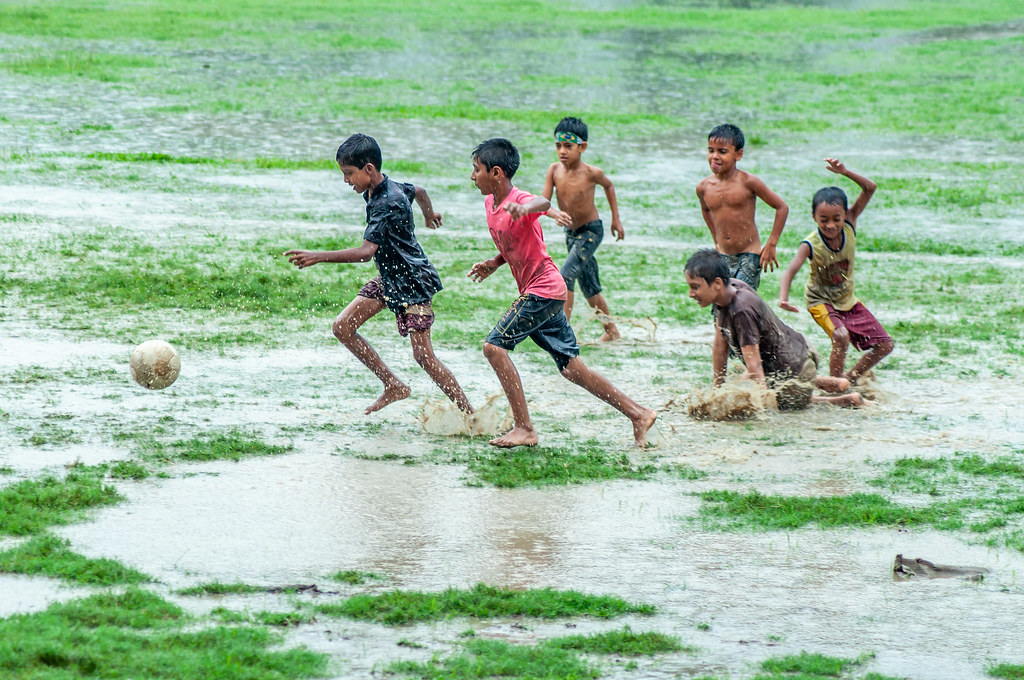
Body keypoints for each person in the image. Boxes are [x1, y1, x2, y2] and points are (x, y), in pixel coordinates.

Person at [467, 138, 657, 448]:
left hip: (542, 291)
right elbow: (513, 243)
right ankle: (639, 414)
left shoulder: (520, 200)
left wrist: (528, 208)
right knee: (572, 369)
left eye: (477, 170)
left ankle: (524, 428)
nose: (472, 176)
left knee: (493, 348)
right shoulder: (491, 204)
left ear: (496, 173)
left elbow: (542, 203)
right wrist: (494, 263)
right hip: (547, 292)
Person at [286, 133, 472, 416]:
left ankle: (470, 414)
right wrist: (429, 214)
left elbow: (365, 252)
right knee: (343, 327)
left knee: (423, 356)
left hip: (413, 281)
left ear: (369, 168)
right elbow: (419, 191)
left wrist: (319, 256)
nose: (346, 180)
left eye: (349, 173)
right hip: (390, 278)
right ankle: (393, 385)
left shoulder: (388, 201)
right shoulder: (385, 188)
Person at [684, 248, 862, 409]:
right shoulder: (727, 290)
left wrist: (763, 409)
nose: (691, 294)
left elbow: (755, 365)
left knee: (773, 401)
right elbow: (719, 345)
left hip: (796, 370)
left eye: (695, 287)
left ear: (716, 283)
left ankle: (845, 399)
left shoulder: (741, 312)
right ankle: (834, 383)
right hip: (799, 354)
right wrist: (717, 390)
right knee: (741, 382)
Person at [777, 158, 895, 382]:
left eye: (836, 219)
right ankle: (834, 384)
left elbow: (870, 188)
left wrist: (845, 172)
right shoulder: (810, 244)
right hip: (820, 301)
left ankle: (849, 379)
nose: (830, 225)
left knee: (885, 345)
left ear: (845, 215)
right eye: (824, 220)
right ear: (814, 217)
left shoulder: (850, 224)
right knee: (841, 336)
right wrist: (783, 298)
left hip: (847, 301)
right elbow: (790, 271)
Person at [540, 116, 622, 342]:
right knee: (589, 286)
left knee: (565, 275)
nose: (562, 151)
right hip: (571, 233)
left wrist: (616, 220)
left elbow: (609, 186)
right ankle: (612, 331)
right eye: (558, 146)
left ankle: (562, 334)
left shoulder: (591, 172)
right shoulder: (554, 170)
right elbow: (543, 202)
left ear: (582, 147)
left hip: (591, 232)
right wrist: (554, 213)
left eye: (568, 146)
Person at [696, 123, 789, 289]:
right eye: (711, 150)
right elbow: (706, 210)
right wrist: (716, 239)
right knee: (720, 301)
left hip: (749, 255)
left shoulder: (748, 182)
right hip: (723, 256)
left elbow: (782, 207)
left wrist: (771, 244)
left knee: (740, 298)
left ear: (738, 154)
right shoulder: (703, 187)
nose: (714, 156)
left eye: (722, 151)